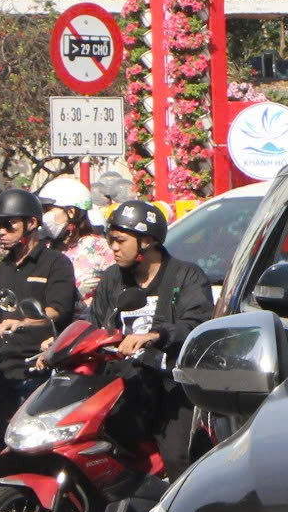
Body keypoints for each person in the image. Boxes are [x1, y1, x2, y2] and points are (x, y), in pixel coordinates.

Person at [86, 200, 215, 473]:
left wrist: (155, 335)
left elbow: (197, 324)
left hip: (171, 387)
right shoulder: (112, 279)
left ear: (147, 241)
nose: (113, 248)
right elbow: (93, 325)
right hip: (122, 386)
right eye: (111, 240)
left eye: (120, 241)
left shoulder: (186, 276)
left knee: (179, 458)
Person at [0, 188, 80, 466]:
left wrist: (23, 322)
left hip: (38, 368)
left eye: (9, 224)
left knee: (35, 451)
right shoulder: (2, 269)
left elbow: (57, 311)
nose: (1, 232)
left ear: (31, 223)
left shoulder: (56, 264)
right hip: (3, 367)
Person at [38, 175, 113, 293]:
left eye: (48, 210)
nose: (44, 216)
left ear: (71, 212)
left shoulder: (99, 247)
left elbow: (114, 284)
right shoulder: (43, 246)